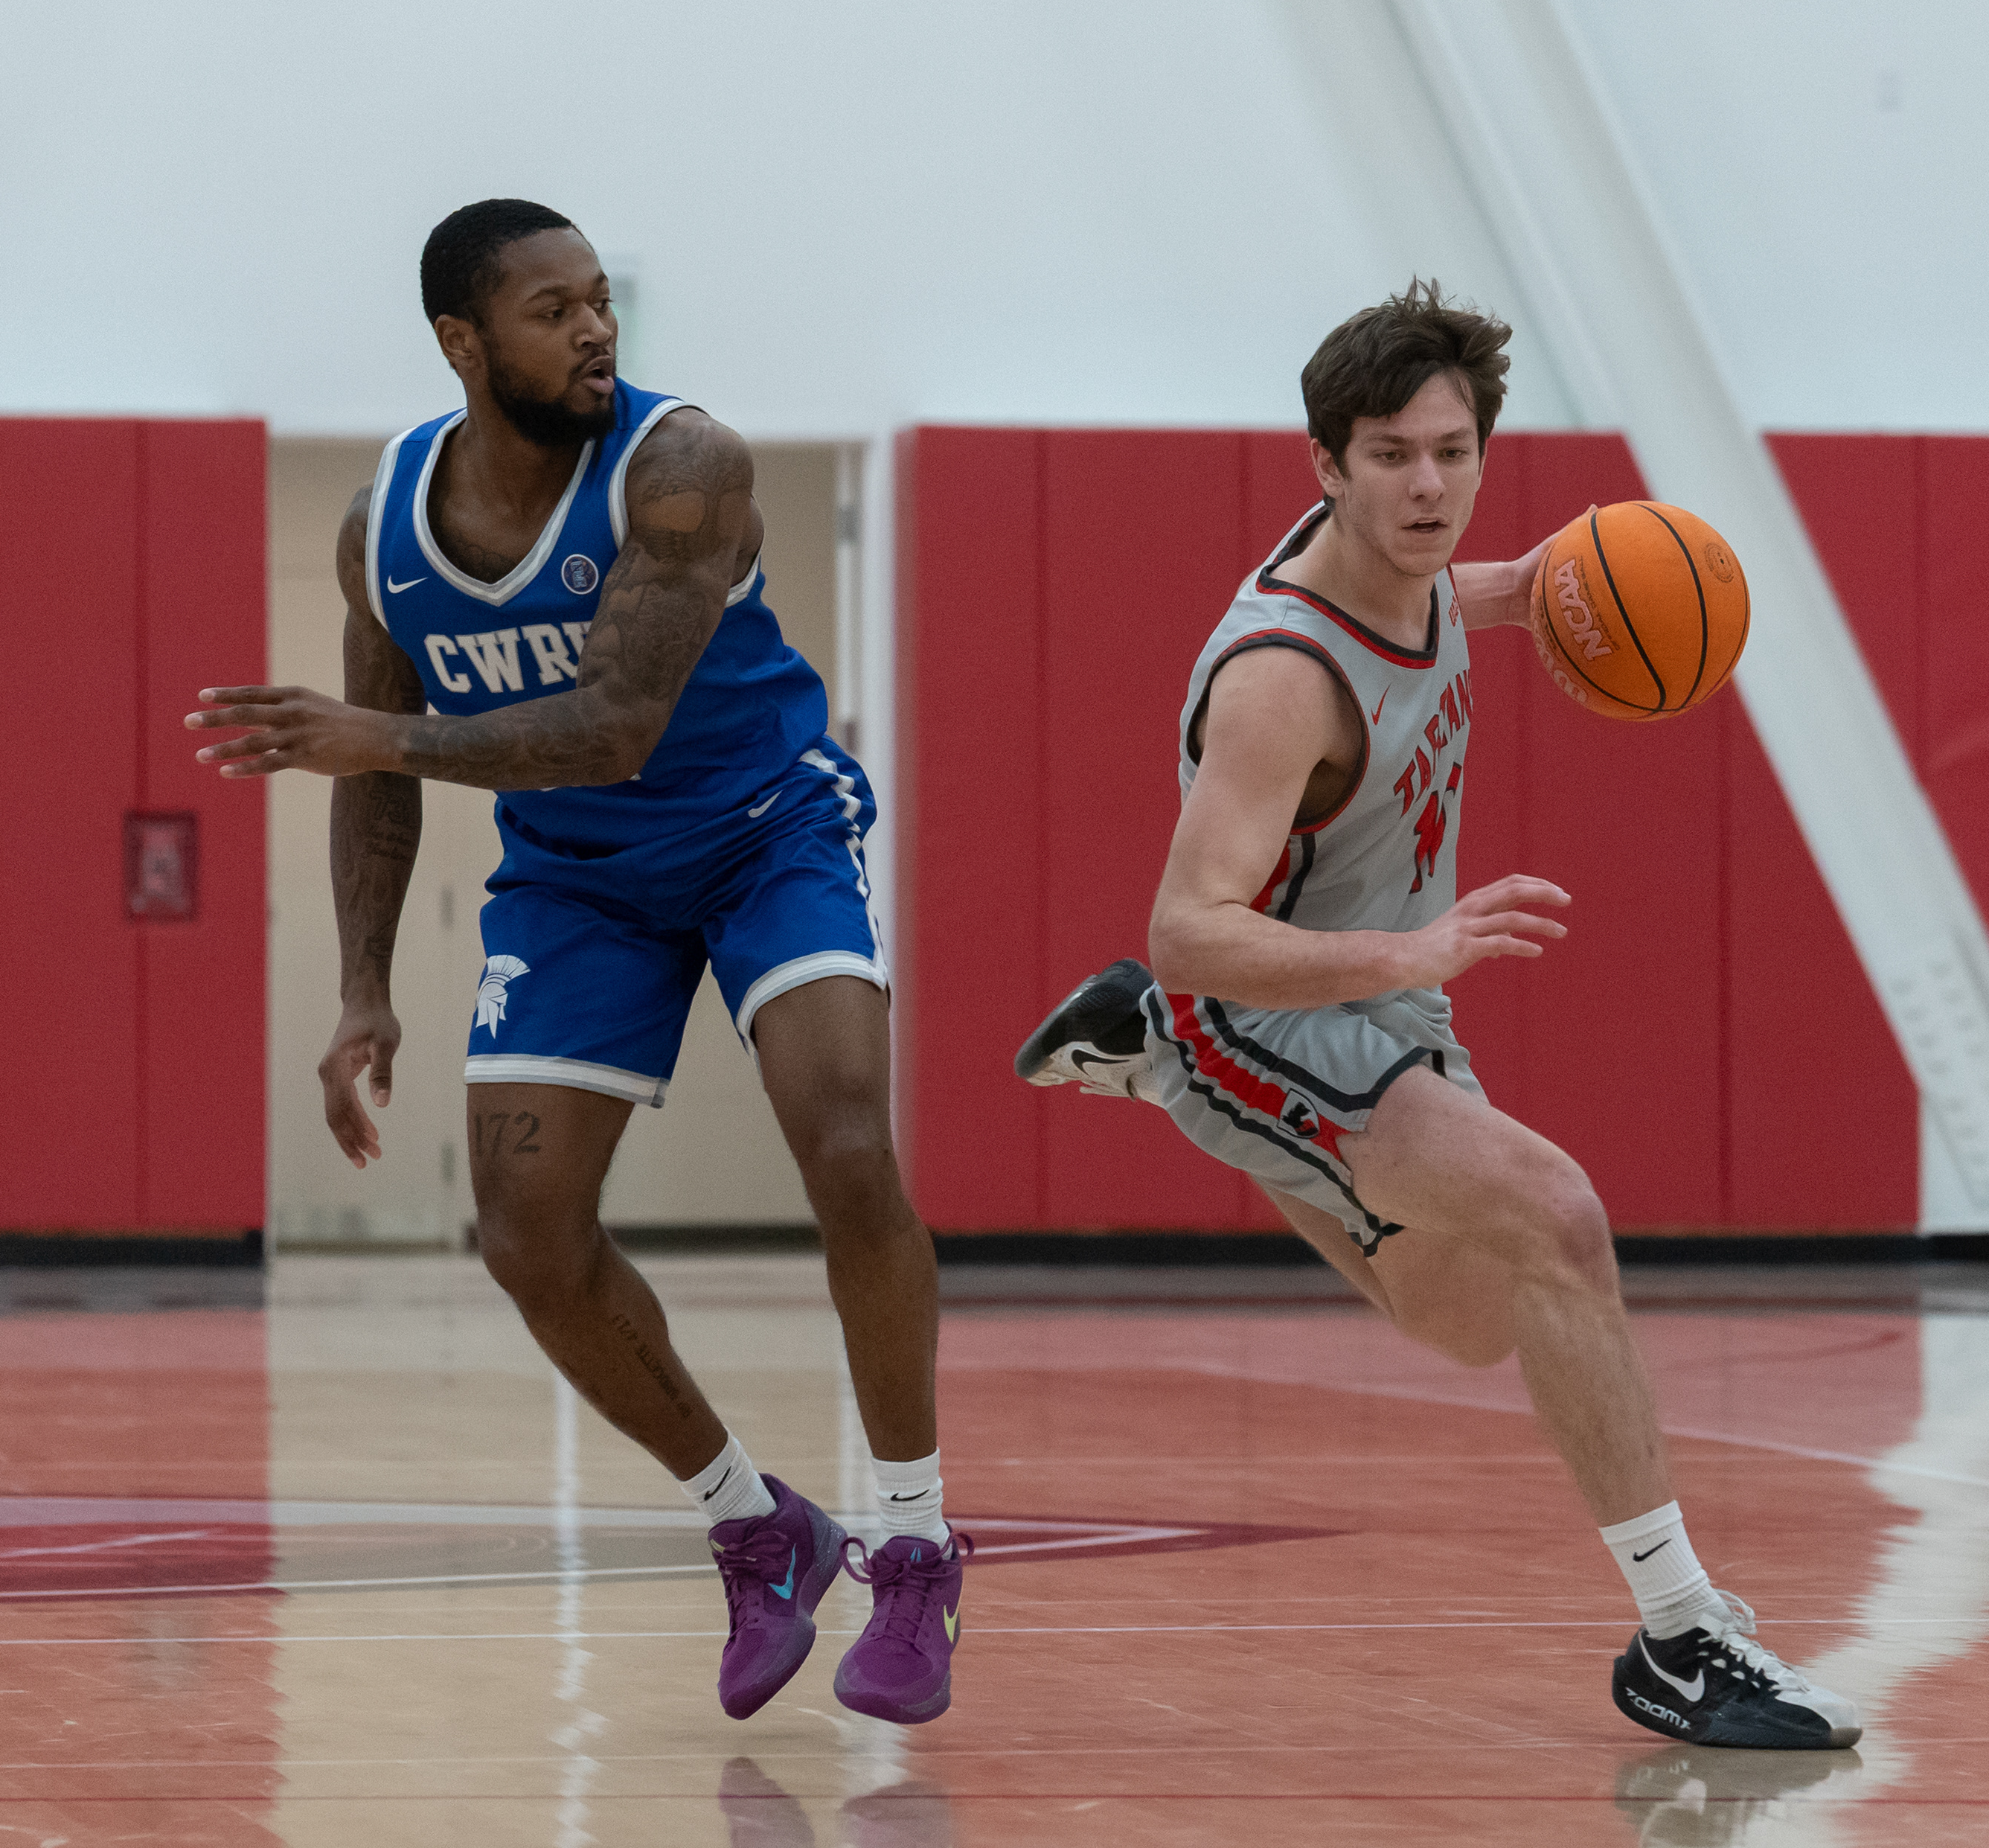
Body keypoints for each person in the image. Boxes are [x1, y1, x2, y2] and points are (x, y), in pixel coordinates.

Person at [1014, 281, 1862, 1750]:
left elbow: (1428, 605)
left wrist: (1544, 586)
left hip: (1380, 989)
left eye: (1453, 451)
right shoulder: (1282, 680)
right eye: (1392, 455)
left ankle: (1147, 1061)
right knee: (1559, 1219)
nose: (1427, 485)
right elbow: (1189, 928)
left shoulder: (1406, 572)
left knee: (1475, 1320)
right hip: (1272, 1006)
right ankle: (1682, 1637)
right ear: (1326, 465)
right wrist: (1412, 945)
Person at [188, 199, 964, 1727]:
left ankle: (917, 1542)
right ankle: (757, 1521)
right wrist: (363, 987)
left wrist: (378, 732)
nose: (597, 328)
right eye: (554, 311)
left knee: (848, 1143)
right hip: (574, 882)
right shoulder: (384, 528)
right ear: (463, 342)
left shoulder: (683, 465)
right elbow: (377, 782)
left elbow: (613, 728)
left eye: (601, 299)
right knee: (525, 1233)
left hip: (763, 829)